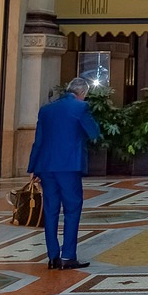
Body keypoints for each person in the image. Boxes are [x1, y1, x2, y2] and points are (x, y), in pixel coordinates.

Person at [27, 77, 101, 270]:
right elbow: (93, 132)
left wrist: (33, 168)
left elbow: (38, 140)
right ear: (83, 93)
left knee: (50, 211)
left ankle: (53, 257)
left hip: (46, 166)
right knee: (72, 209)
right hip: (68, 166)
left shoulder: (46, 110)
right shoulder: (80, 108)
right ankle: (68, 256)